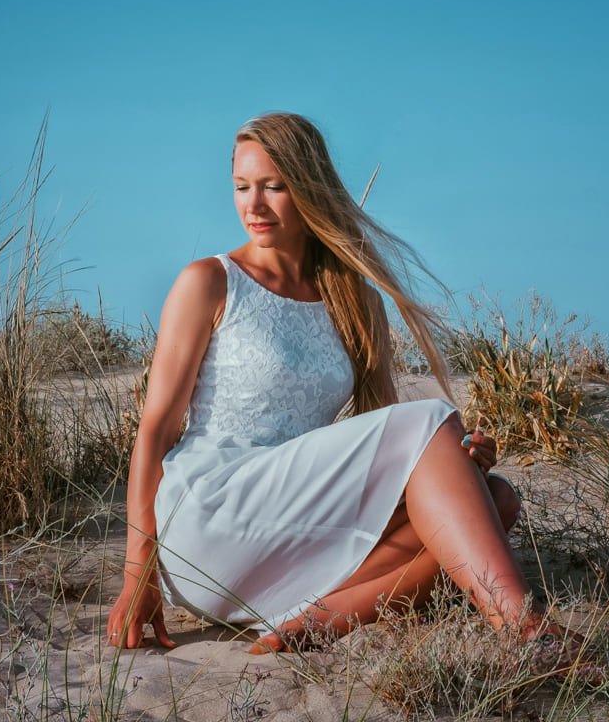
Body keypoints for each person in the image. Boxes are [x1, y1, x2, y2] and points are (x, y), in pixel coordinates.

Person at [105, 112, 559, 655]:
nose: (254, 204)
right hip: (210, 514)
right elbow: (154, 431)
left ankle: (319, 618)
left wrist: (459, 461)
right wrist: (138, 572)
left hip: (289, 527)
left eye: (275, 186)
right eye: (242, 187)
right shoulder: (209, 281)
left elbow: (389, 439)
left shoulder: (355, 300)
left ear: (310, 188)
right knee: (435, 424)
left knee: (495, 499)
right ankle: (527, 630)